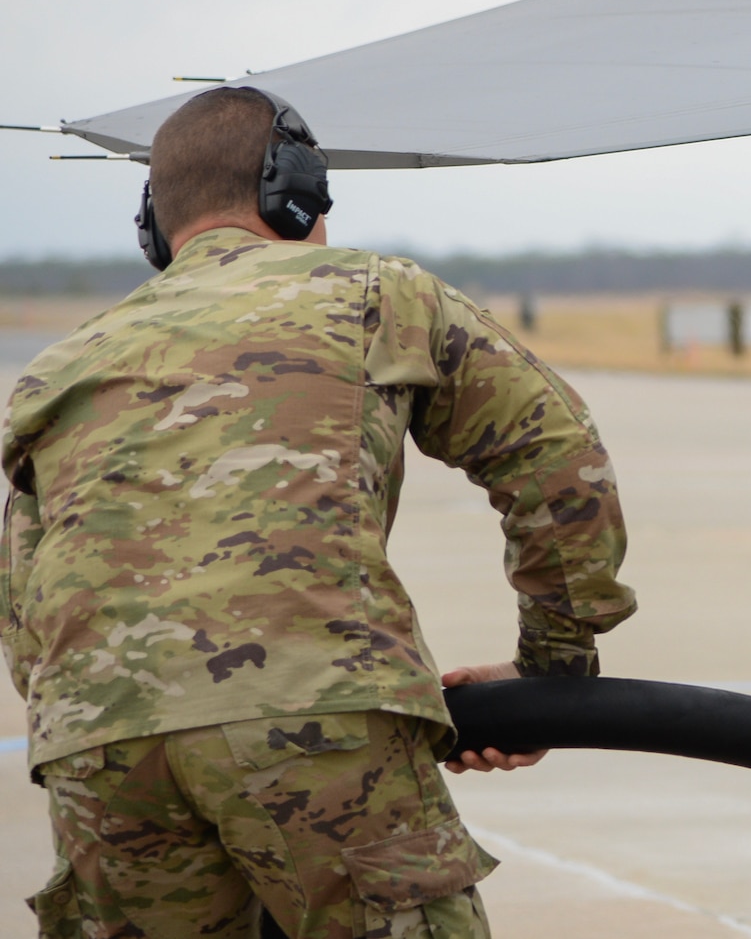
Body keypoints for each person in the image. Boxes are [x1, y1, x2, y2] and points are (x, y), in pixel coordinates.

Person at [1, 87, 638, 939]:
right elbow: (558, 458)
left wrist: (121, 710)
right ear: (293, 191)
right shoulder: (378, 293)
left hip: (98, 744)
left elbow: (23, 595)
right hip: (318, 711)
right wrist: (553, 672)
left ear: (153, 223)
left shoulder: (66, 363)